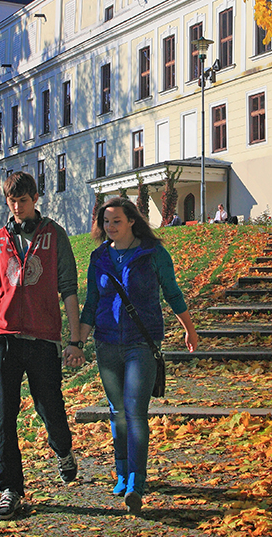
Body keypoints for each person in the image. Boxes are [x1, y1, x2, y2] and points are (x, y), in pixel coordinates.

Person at [72, 197, 198, 515]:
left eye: (116, 220)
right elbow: (91, 303)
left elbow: (172, 292)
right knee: (117, 413)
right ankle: (122, 472)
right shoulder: (99, 257)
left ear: (131, 221)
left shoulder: (153, 253)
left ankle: (137, 483)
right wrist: (78, 343)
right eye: (106, 221)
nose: (110, 226)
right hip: (106, 344)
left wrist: (190, 330)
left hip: (142, 343)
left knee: (135, 412)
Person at [0, 171, 84, 521]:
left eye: (23, 201)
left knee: (49, 407)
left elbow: (69, 289)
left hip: (43, 339)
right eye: (12, 201)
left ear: (36, 199)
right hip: (6, 340)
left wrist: (74, 340)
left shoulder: (55, 236)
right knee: (4, 415)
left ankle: (63, 450)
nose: (17, 207)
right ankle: (10, 489)